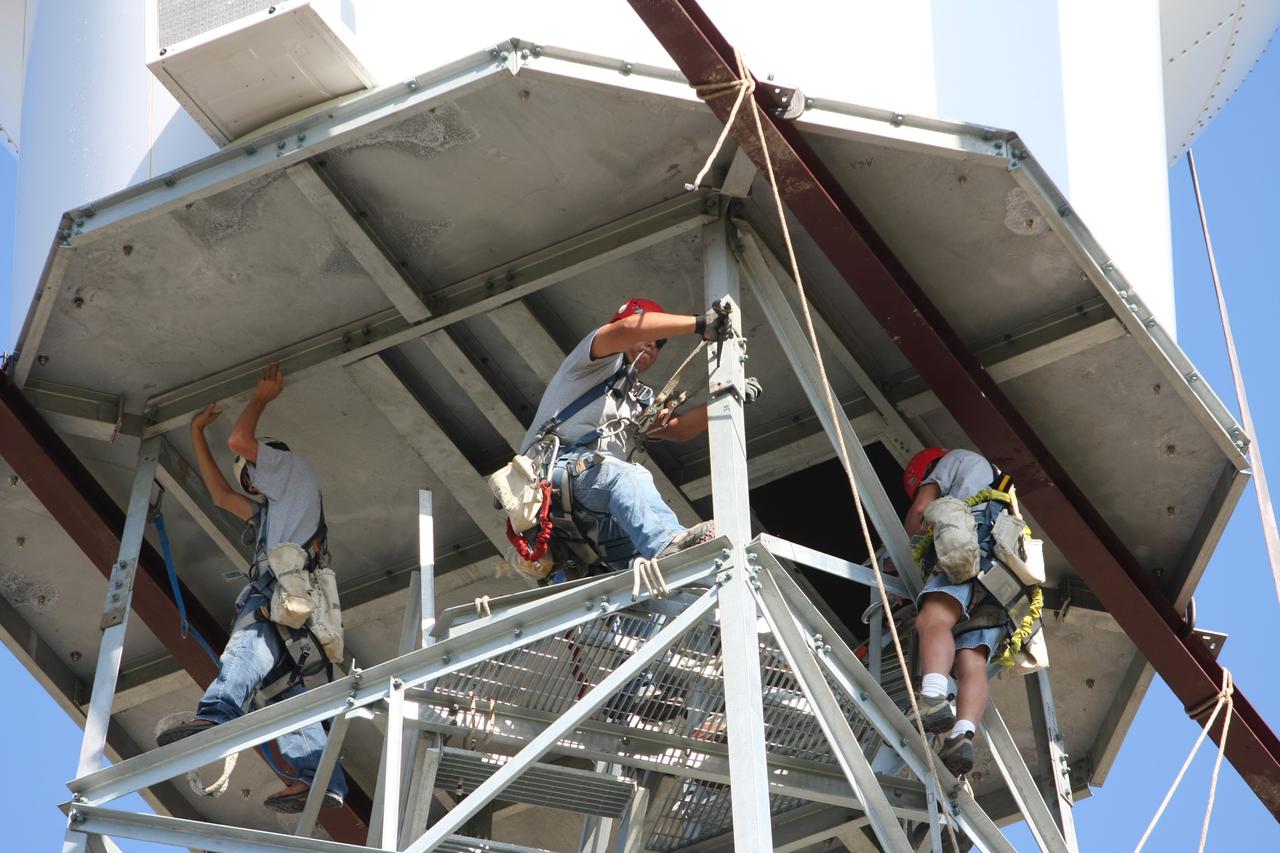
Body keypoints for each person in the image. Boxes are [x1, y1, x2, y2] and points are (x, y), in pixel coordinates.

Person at [156, 364, 348, 814]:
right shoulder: (276, 514)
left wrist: (260, 399)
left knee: (243, 653)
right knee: (284, 694)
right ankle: (320, 780)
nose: (248, 483)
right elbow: (222, 496)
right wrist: (195, 434)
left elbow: (240, 443)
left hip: (276, 603)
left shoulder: (289, 470)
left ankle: (217, 715)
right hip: (296, 617)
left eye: (250, 474)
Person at [519, 297, 759, 579]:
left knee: (637, 569)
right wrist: (700, 324)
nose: (651, 345)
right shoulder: (592, 363)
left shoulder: (634, 398)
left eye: (658, 344)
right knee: (625, 476)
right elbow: (630, 329)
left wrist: (729, 397)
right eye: (650, 337)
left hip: (583, 504)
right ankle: (670, 543)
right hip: (556, 476)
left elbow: (675, 428)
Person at [903, 446, 1020, 777]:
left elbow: (922, 509)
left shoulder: (953, 460)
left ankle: (934, 697)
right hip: (1003, 577)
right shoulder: (1000, 490)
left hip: (970, 550)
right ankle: (962, 734)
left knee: (933, 619)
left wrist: (901, 552)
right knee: (973, 659)